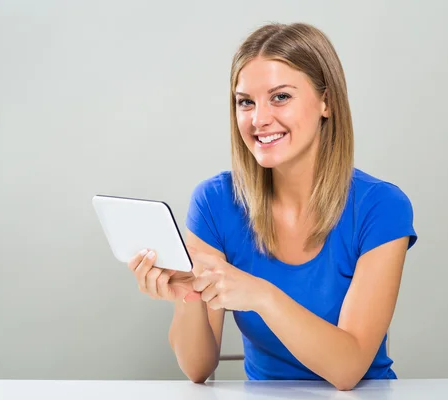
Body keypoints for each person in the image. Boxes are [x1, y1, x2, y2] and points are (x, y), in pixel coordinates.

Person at [127, 22, 417, 391]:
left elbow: (348, 368)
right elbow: (197, 368)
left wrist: (261, 295)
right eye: (245, 102)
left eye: (280, 97)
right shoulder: (215, 203)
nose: (259, 119)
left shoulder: (381, 207)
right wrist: (187, 293)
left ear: (326, 101)